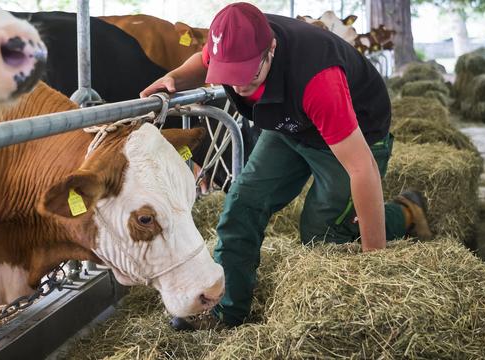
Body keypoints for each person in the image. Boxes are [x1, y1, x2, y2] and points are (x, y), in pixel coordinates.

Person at [140, 2, 432, 331]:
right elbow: (202, 60)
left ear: (271, 50)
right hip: (289, 126)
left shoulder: (318, 80)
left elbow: (361, 168)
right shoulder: (233, 42)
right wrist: (174, 78)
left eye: (247, 73)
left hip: (354, 133)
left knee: (323, 231)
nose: (237, 87)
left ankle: (406, 212)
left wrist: (373, 262)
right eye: (229, 75)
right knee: (241, 206)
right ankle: (226, 312)